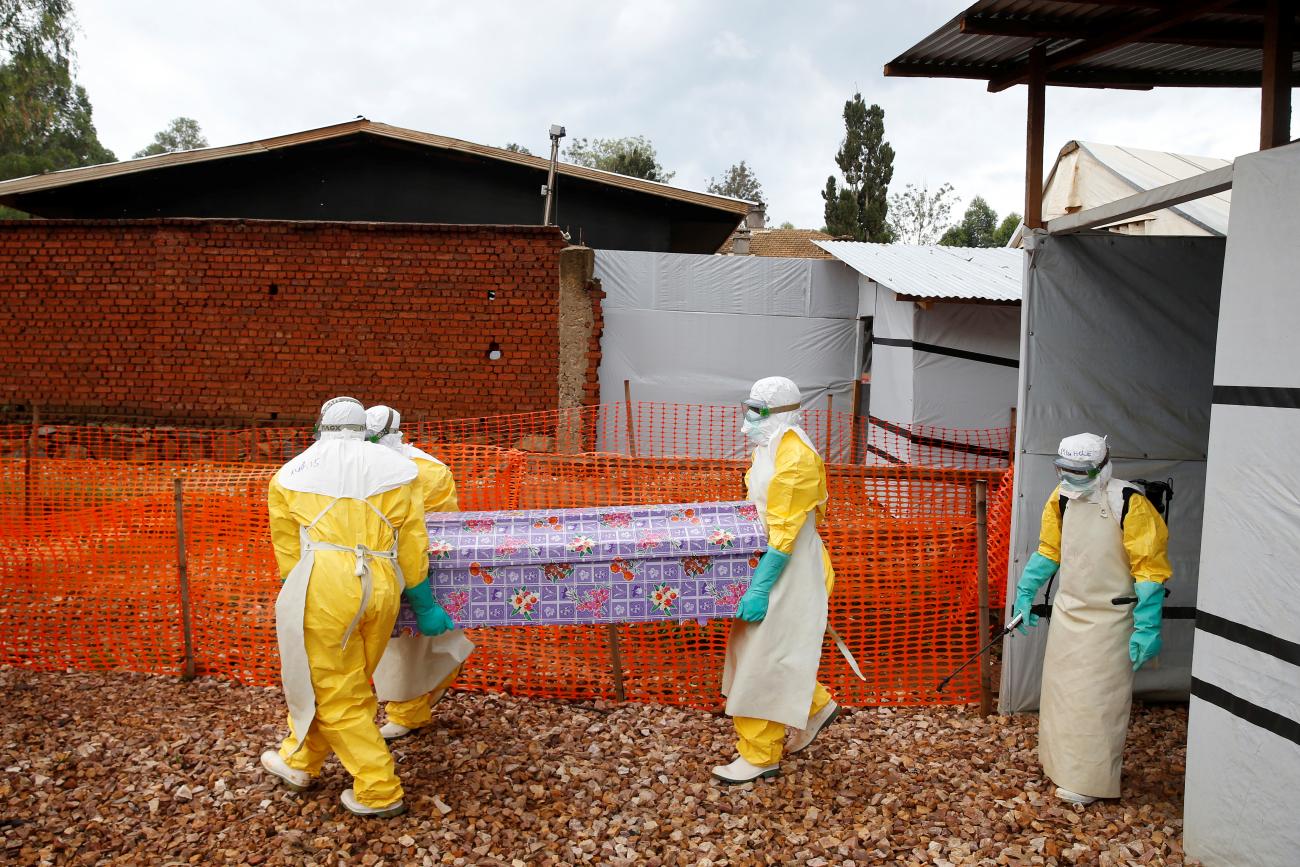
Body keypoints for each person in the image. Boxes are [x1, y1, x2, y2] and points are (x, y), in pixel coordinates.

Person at [258, 396, 446, 817]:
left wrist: (295, 589)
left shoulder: (290, 474)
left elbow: (288, 549)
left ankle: (379, 787)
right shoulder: (402, 472)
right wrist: (423, 600)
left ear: (320, 424)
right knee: (345, 681)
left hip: (323, 584)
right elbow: (414, 543)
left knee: (337, 688)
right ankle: (298, 759)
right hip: (382, 582)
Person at [1012, 432, 1172, 805]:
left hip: (1111, 619)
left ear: (1101, 466)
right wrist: (1026, 590)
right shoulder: (1061, 498)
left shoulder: (1129, 503)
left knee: (1099, 702)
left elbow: (1149, 570)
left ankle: (1089, 779)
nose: (1070, 479)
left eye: (1079, 472)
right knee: (1062, 696)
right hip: (1070, 613)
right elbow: (1050, 549)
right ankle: (1058, 764)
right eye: (1063, 471)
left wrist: (1148, 625)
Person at [714, 376, 840, 784]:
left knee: (760, 664)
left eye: (756, 411)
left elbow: (785, 532)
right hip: (773, 564)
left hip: (790, 570)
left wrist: (760, 586)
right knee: (764, 654)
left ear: (780, 412)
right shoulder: (768, 447)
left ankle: (760, 755)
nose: (747, 420)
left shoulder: (796, 458)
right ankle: (814, 705)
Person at [364, 405, 475, 739]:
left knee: (408, 644)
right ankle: (411, 704)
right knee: (396, 644)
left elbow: (440, 529)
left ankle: (409, 708)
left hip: (411, 566)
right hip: (378, 565)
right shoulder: (420, 468)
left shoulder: (424, 471)